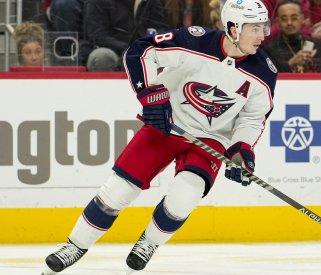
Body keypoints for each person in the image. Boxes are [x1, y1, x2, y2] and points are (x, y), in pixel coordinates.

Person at [41, 0, 277, 274]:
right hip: (166, 126)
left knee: (184, 196)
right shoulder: (193, 40)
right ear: (233, 29)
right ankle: (75, 245)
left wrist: (241, 150)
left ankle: (149, 243)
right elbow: (141, 51)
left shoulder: (264, 71)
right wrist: (151, 98)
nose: (263, 35)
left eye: (264, 27)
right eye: (255, 28)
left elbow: (252, 118)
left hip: (209, 141)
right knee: (119, 190)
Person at [82, 0, 169, 71]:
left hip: (144, 49)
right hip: (112, 50)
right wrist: (129, 48)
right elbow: (98, 35)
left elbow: (161, 26)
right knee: (101, 57)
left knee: (169, 55)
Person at [265, 0, 321, 72]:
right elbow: (268, 77)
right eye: (284, 19)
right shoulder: (270, 51)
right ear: (278, 21)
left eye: (294, 18)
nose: (289, 22)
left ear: (302, 18)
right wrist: (290, 64)